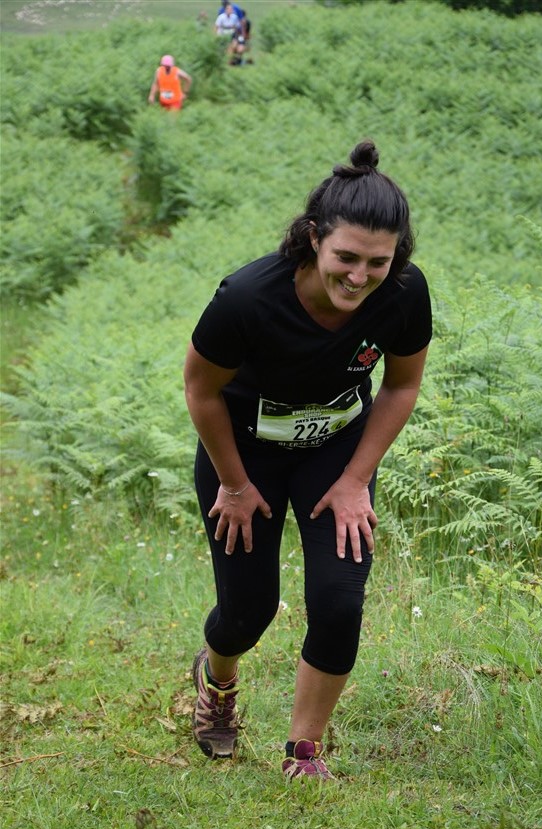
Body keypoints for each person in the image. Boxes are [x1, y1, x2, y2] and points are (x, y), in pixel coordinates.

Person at [183, 140, 432, 780]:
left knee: (340, 600)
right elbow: (201, 391)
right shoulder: (247, 298)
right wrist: (234, 485)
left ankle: (304, 750)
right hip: (244, 455)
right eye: (346, 257)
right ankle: (218, 680)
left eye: (377, 262)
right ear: (314, 238)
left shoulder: (404, 294)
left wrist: (356, 480)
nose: (359, 276)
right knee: (248, 611)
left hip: (337, 452)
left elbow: (401, 385)